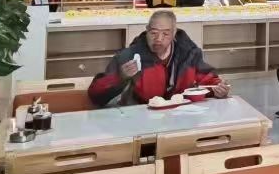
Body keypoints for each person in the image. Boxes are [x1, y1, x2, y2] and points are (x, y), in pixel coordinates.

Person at [88, 10, 230, 107]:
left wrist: (218, 89)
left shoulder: (188, 54)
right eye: (153, 33)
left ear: (174, 33)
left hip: (179, 117)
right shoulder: (130, 56)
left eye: (165, 34)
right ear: (147, 30)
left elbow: (208, 81)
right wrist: (120, 77)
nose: (158, 39)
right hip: (139, 118)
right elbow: (95, 95)